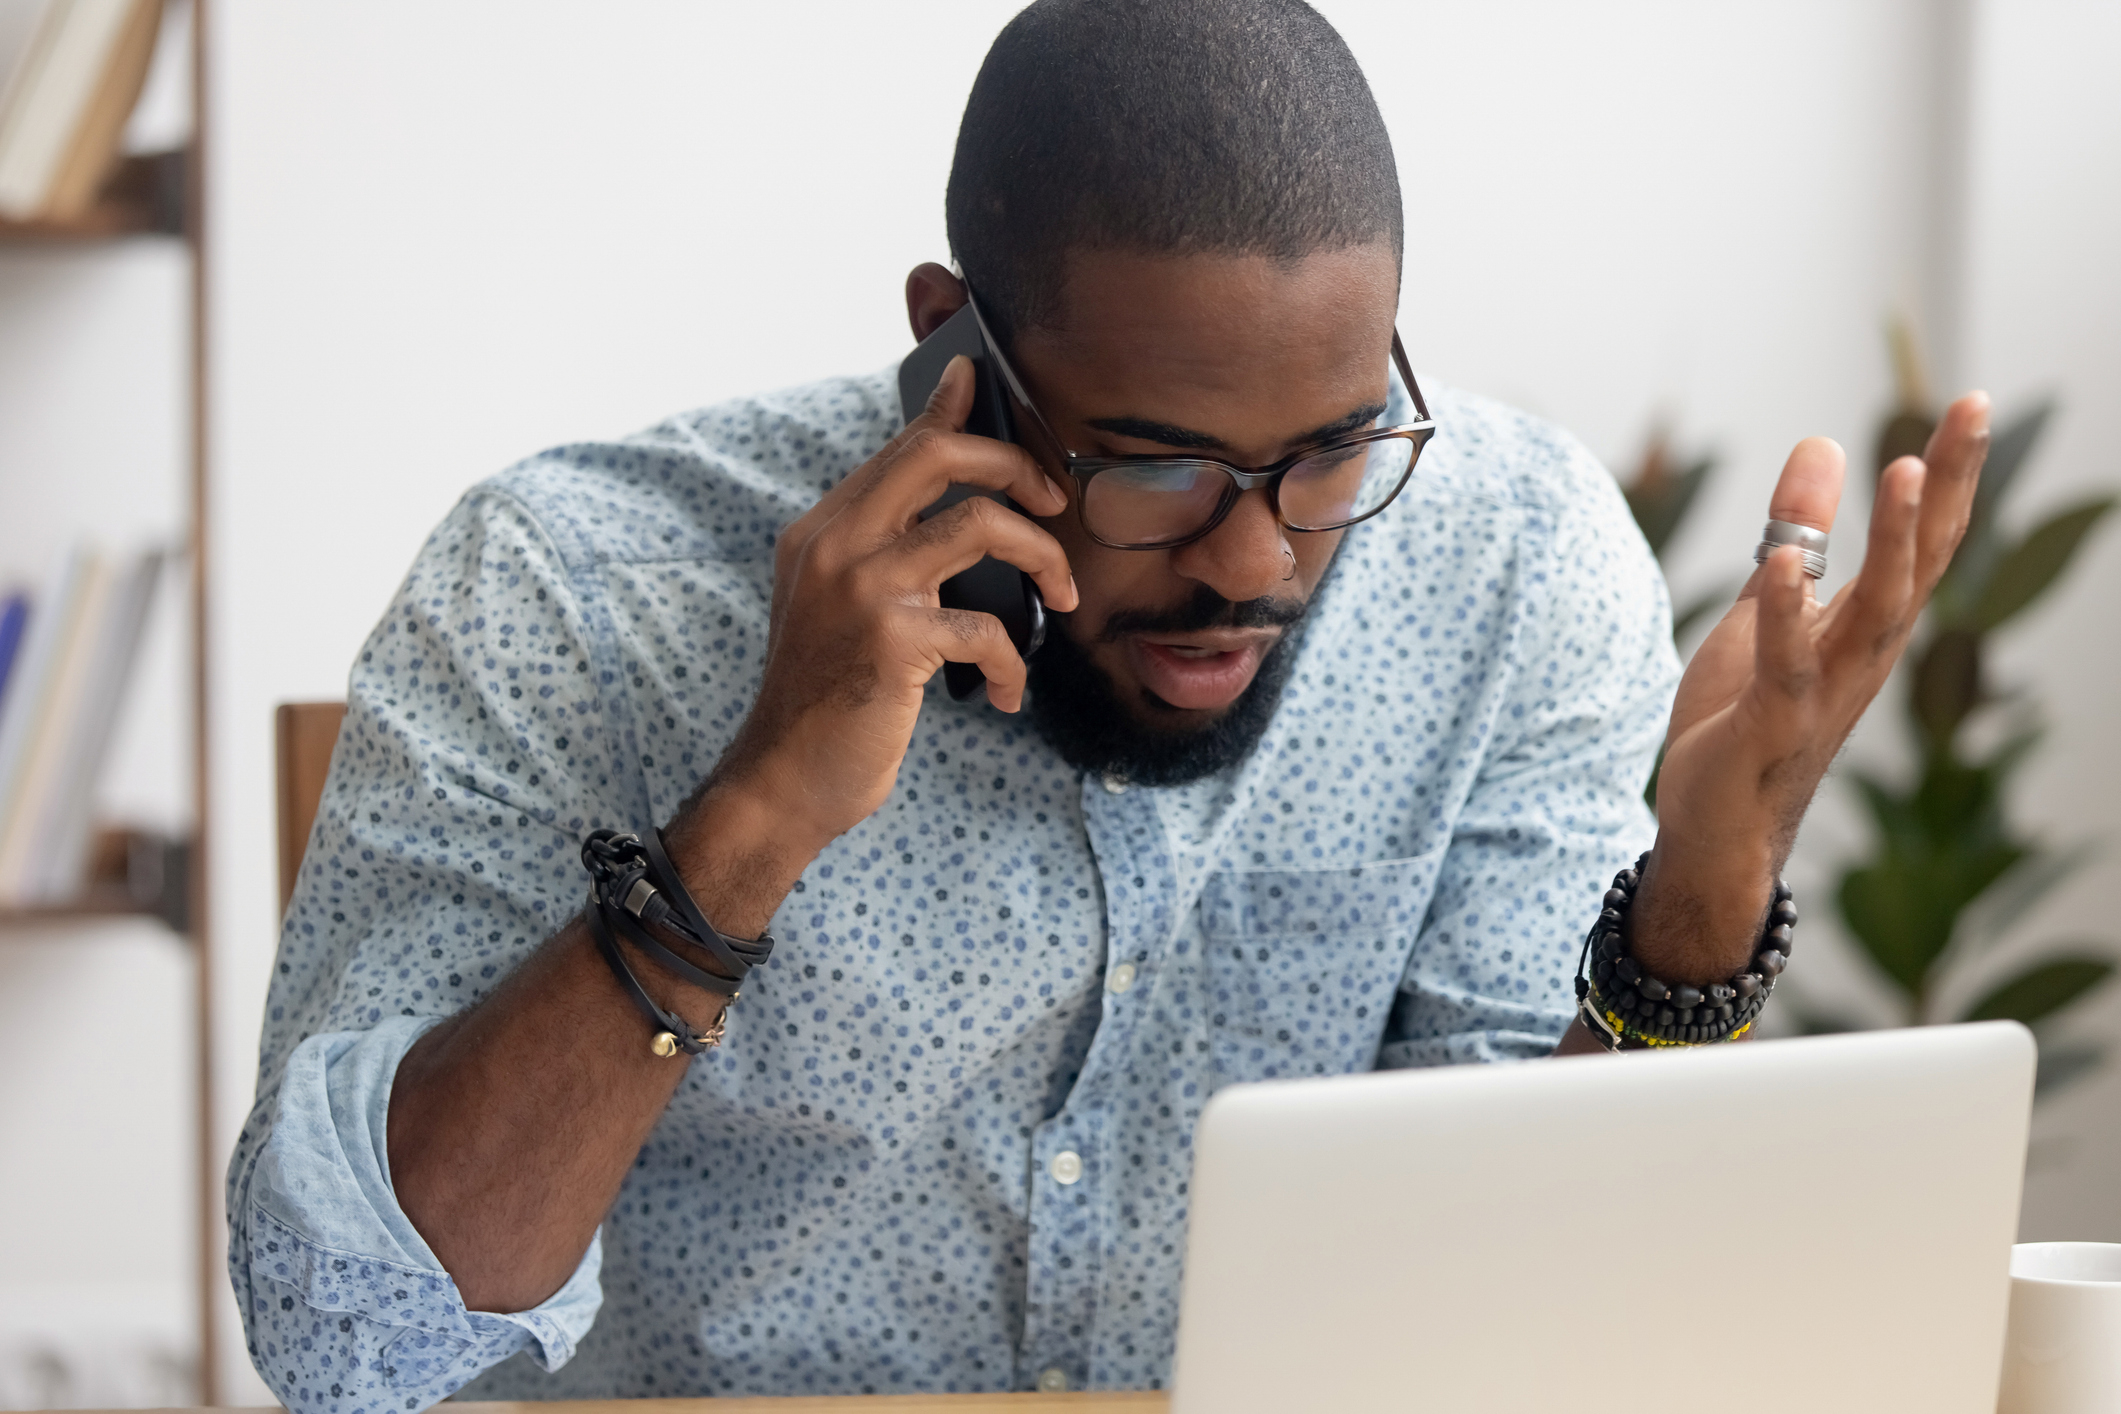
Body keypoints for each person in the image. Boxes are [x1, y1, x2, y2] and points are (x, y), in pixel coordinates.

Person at [226, 0, 1990, 1408]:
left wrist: (1700, 891)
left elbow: (1540, 1287)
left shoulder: (1511, 559)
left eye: (1328, 454)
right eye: (1156, 468)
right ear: (954, 350)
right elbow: (352, 1340)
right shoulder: (568, 592)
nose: (1256, 561)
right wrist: (754, 811)